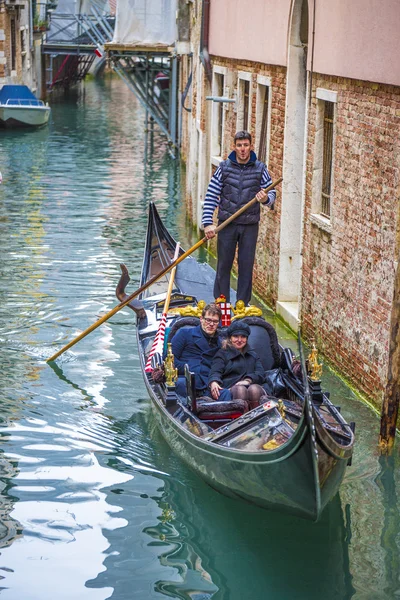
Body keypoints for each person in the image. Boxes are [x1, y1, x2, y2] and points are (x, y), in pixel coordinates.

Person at [202, 131, 276, 306]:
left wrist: (265, 198)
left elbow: (271, 193)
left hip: (250, 225)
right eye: (239, 145)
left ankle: (242, 304)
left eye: (245, 145)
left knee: (246, 266)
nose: (242, 149)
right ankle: (221, 303)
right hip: (227, 223)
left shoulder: (260, 169)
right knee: (223, 264)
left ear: (251, 146)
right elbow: (212, 195)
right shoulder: (224, 168)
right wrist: (207, 224)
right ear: (234, 147)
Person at [208, 320, 266, 409]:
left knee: (255, 389)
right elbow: (215, 371)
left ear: (247, 339)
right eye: (236, 336)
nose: (239, 340)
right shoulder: (222, 354)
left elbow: (260, 373)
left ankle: (258, 418)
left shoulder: (253, 354)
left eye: (243, 337)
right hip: (231, 388)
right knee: (240, 389)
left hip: (251, 385)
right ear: (230, 338)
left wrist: (248, 380)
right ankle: (243, 420)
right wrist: (214, 382)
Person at [171, 303, 222, 399]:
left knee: (225, 392)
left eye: (215, 321)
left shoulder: (220, 343)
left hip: (208, 382)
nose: (211, 324)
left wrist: (214, 379)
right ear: (201, 319)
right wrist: (189, 370)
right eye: (208, 320)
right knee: (180, 385)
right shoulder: (184, 334)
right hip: (185, 378)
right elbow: (170, 359)